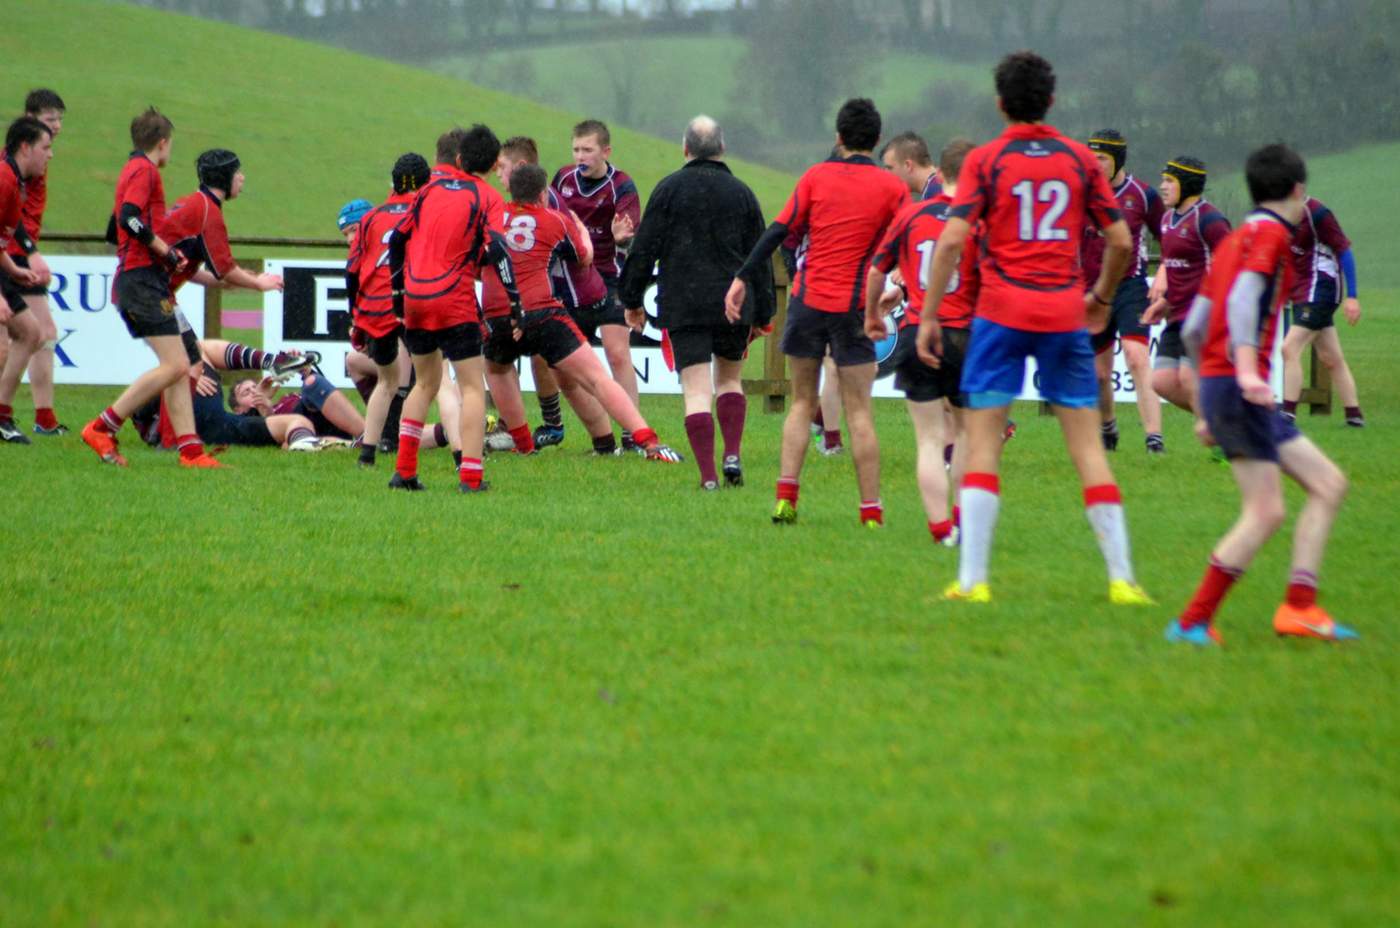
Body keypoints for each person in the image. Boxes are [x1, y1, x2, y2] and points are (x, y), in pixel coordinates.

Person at [916, 51, 1151, 606]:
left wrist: (929, 314)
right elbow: (1121, 241)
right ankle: (1122, 580)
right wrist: (1101, 298)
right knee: (1088, 449)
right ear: (1051, 100)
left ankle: (973, 582)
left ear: (1000, 103)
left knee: (982, 444)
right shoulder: (1079, 159)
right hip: (1063, 313)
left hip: (1000, 314)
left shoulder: (986, 160)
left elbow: (951, 241)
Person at [1167, 144, 1357, 645]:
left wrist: (1206, 405)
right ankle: (1192, 622)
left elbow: (1195, 328)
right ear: (1299, 190)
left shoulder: (1234, 240)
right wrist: (1249, 374)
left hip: (1223, 388)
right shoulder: (1271, 237)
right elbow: (1244, 301)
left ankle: (1299, 607)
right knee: (1266, 511)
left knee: (1327, 484)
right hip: (1240, 388)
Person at [727, 98, 911, 527]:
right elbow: (911, 242)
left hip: (808, 303)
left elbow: (777, 231)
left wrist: (741, 277)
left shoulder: (815, 176)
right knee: (859, 412)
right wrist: (901, 288)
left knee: (801, 402)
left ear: (838, 137)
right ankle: (870, 513)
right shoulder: (892, 188)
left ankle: (785, 499)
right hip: (854, 307)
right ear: (877, 140)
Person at [481, 163, 682, 463]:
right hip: (542, 312)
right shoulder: (554, 219)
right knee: (597, 378)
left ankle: (523, 444)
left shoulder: (491, 218)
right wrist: (582, 231)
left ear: (510, 190)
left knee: (497, 369)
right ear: (543, 194)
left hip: (499, 314)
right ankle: (649, 442)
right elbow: (584, 258)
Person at [618, 115, 772, 488]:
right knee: (730, 380)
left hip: (684, 302)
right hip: (732, 303)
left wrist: (632, 299)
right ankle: (731, 454)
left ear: (685, 149)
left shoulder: (668, 189)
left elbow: (643, 249)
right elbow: (760, 257)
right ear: (722, 148)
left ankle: (708, 477)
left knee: (697, 390)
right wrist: (763, 312)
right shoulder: (742, 193)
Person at [387, 123, 515, 492]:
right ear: (494, 164)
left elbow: (396, 240)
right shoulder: (487, 196)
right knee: (472, 387)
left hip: (416, 298)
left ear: (458, 159)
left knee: (424, 383)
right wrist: (515, 298)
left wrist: (398, 296)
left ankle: (404, 472)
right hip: (454, 299)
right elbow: (498, 248)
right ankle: (471, 477)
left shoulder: (428, 190)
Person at [865, 138, 979, 546]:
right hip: (967, 334)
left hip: (919, 332)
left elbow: (877, 271)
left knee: (929, 439)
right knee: (966, 435)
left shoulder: (912, 215)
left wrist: (872, 314)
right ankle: (963, 521)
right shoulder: (980, 219)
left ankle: (939, 529)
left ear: (941, 173)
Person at [80, 108, 202, 466]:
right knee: (176, 364)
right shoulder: (144, 171)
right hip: (141, 280)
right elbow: (128, 218)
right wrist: (165, 251)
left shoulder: (130, 170)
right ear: (162, 143)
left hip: (141, 278)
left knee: (178, 363)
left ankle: (190, 451)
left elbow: (113, 228)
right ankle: (102, 427)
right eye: (170, 144)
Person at [494, 135, 616, 453]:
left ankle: (618, 439)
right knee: (560, 372)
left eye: (502, 167)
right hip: (559, 296)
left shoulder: (543, 204)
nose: (498, 174)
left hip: (568, 296)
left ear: (521, 167)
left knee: (576, 376)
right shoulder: (532, 203)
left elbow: (578, 253)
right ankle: (594, 439)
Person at [551, 119, 644, 449]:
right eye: (576, 149)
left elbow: (631, 236)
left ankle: (633, 435)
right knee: (565, 366)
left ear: (606, 151)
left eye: (587, 150)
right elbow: (550, 217)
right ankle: (602, 438)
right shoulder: (563, 178)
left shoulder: (622, 185)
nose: (580, 156)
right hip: (572, 280)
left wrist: (622, 238)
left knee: (617, 354)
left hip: (609, 278)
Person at [1081, 129, 1166, 453]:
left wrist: (1164, 274)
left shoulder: (1143, 195)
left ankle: (1154, 438)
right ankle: (1108, 426)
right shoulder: (1082, 194)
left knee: (1136, 356)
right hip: (1093, 291)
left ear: (1118, 160)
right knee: (1100, 373)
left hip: (1130, 285)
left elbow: (1168, 237)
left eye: (1101, 158)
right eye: (1091, 158)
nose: (1095, 164)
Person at [346, 155, 428, 467]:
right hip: (415, 303)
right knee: (440, 383)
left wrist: (355, 313)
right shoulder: (424, 212)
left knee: (386, 381)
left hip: (375, 308)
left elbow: (352, 270)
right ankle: (464, 454)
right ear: (425, 182)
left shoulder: (370, 217)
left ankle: (368, 454)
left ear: (394, 183)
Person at [1141, 156, 1230, 418]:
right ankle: (1226, 420)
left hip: (1204, 316)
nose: (1163, 186)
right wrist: (1164, 301)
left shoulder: (1210, 220)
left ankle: (1218, 435)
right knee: (1162, 382)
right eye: (1163, 180)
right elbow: (1177, 269)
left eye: (1170, 181)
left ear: (1188, 184)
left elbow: (1233, 266)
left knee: (1191, 379)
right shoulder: (1167, 219)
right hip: (1177, 316)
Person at [3, 90, 65, 436]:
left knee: (40, 333)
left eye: (59, 119)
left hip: (14, 257)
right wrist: (29, 252)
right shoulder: (10, 171)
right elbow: (11, 219)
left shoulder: (31, 164)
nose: (56, 126)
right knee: (21, 338)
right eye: (49, 119)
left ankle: (40, 417)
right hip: (14, 253)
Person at [1279, 196, 1364, 427]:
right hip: (1303, 292)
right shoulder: (1279, 214)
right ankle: (1354, 415)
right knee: (1331, 358)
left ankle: (1287, 415)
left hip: (1321, 290)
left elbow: (1344, 250)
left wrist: (1352, 296)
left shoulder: (1317, 213)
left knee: (1289, 348)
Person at [0, 117, 53, 445]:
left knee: (32, 333)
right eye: (45, 147)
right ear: (25, 147)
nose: (50, 154)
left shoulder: (14, 181)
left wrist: (14, 269)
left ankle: (2, 416)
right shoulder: (4, 180)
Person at [880, 130, 942, 201]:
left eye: (890, 168)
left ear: (908, 165)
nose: (885, 174)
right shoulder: (943, 184)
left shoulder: (935, 196)